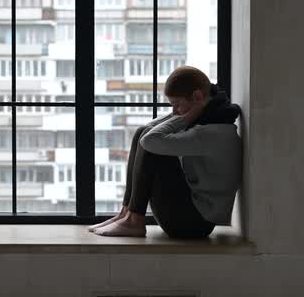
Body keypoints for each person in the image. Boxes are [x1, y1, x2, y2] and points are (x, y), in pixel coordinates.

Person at [88, 65, 242, 238]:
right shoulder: (210, 120)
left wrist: (185, 117)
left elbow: (150, 140)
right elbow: (147, 130)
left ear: (198, 97)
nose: (174, 112)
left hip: (194, 224)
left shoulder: (210, 132)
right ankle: (126, 214)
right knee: (142, 131)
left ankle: (134, 221)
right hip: (193, 217)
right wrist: (186, 113)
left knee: (152, 144)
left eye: (176, 105)